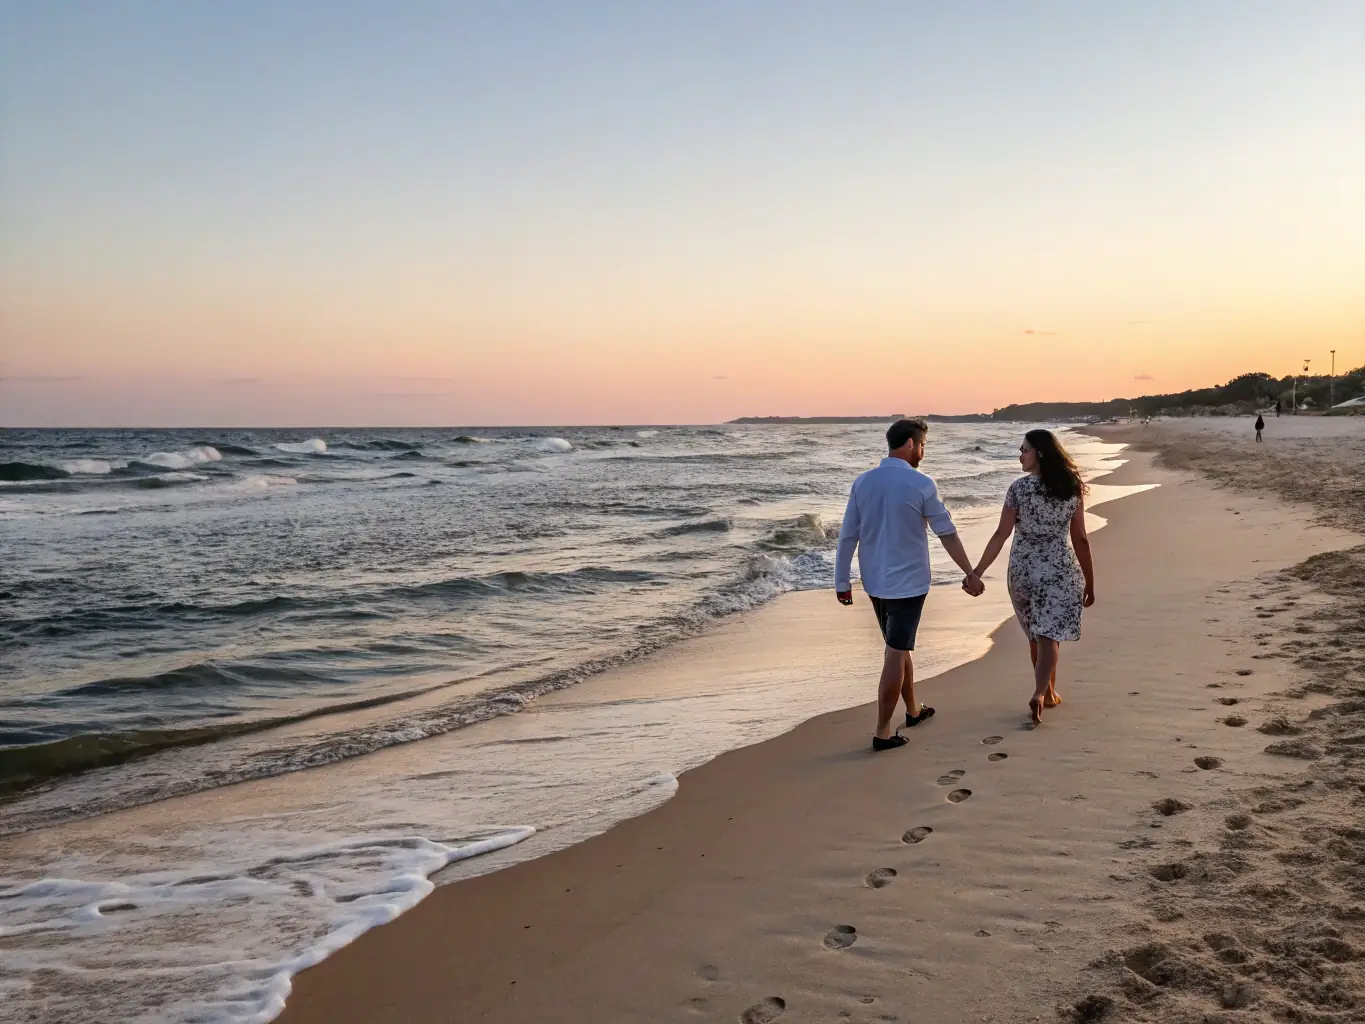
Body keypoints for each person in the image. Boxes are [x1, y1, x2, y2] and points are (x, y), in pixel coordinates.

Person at [835, 418, 984, 751]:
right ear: (910, 444)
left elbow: (848, 535)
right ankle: (882, 732)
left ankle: (913, 711)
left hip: (873, 581)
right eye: (922, 446)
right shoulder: (921, 483)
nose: (923, 452)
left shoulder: (863, 482)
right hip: (909, 583)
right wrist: (970, 572)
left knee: (898, 645)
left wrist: (841, 581)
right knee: (895, 650)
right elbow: (945, 531)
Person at [971, 429, 1095, 725]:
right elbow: (1080, 539)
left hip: (1023, 573)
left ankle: (1048, 691)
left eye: (1024, 450)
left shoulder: (1018, 489)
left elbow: (1002, 533)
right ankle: (1042, 693)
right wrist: (1091, 580)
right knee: (1048, 634)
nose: (1020, 455)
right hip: (1060, 571)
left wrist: (977, 572)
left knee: (1037, 636)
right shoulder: (1071, 487)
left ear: (1038, 452)